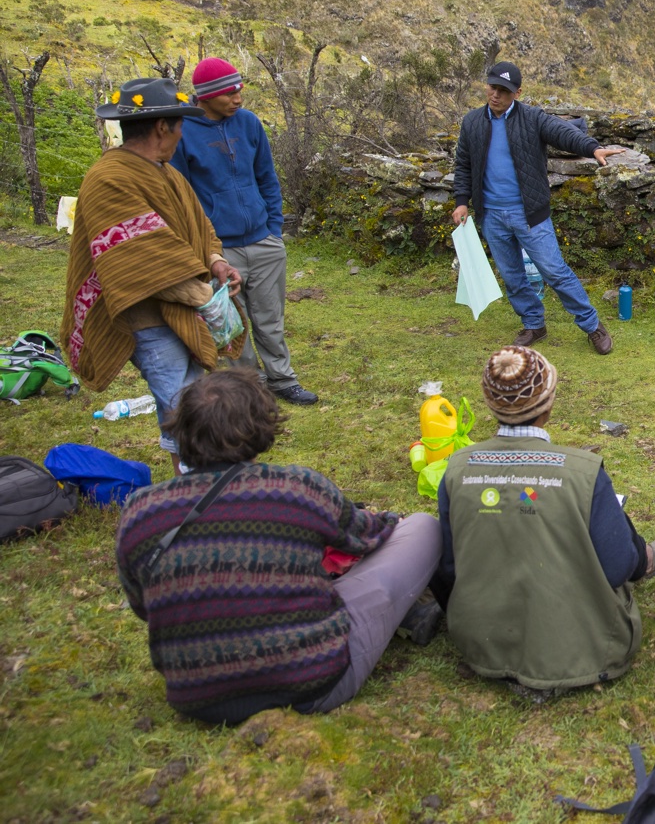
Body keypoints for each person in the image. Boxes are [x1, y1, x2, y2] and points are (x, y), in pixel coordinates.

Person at [113, 370, 442, 724]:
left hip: (197, 698)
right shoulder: (295, 488)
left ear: (180, 430)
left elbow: (144, 606)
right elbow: (369, 535)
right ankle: (409, 610)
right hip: (314, 684)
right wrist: (389, 518)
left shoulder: (141, 510)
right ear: (261, 425)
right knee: (423, 528)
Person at [436, 346, 655, 702]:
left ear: (489, 403)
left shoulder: (456, 468)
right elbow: (618, 568)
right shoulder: (583, 471)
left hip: (480, 645)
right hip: (585, 651)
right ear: (548, 404)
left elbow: (449, 568)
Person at [61, 78, 243, 474]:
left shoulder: (165, 172)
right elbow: (141, 258)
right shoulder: (110, 179)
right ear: (163, 127)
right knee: (187, 404)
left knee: (183, 398)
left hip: (182, 309)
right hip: (148, 319)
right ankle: (202, 490)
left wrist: (215, 262)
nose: (182, 133)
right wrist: (206, 297)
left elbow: (198, 224)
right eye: (180, 124)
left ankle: (186, 483)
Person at [451, 61, 628, 353]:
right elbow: (464, 164)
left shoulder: (532, 118)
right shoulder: (472, 122)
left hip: (529, 213)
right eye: (492, 87)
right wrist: (461, 202)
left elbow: (563, 133)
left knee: (555, 271)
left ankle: (592, 325)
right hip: (491, 215)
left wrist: (593, 147)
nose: (495, 95)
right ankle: (534, 324)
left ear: (517, 93)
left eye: (503, 91)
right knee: (512, 276)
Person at [169, 57, 316, 405]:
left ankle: (283, 380)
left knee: (270, 318)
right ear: (205, 97)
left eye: (239, 90)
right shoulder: (183, 133)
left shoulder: (249, 124)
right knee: (231, 323)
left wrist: (274, 230)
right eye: (229, 93)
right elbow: (182, 197)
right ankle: (247, 386)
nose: (237, 98)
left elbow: (267, 177)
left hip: (263, 240)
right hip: (220, 248)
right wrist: (206, 248)